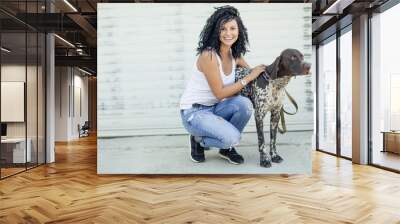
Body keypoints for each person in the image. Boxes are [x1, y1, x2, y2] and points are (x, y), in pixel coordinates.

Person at [179, 5, 266, 164]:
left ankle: (226, 148)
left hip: (214, 108)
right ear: (215, 31)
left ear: (239, 31)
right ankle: (199, 140)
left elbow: (252, 75)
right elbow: (220, 93)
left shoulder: (235, 55)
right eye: (223, 29)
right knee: (233, 138)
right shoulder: (209, 56)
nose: (228, 33)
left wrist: (270, 74)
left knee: (245, 104)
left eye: (232, 28)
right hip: (194, 112)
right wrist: (249, 77)